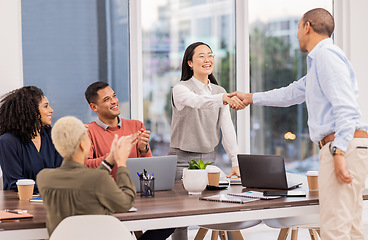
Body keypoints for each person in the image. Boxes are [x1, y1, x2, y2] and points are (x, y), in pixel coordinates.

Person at [229, 8, 368, 240]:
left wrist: (339, 151)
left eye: (297, 28)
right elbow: (291, 93)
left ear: (307, 26)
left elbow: (346, 107)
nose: (296, 35)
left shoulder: (325, 55)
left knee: (335, 230)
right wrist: (251, 97)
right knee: (350, 229)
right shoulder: (319, 61)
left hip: (343, 145)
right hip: (349, 145)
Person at [37, 116, 174, 239]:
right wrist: (121, 163)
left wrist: (111, 158)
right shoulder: (99, 179)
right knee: (168, 224)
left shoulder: (44, 178)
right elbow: (126, 202)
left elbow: (84, 180)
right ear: (83, 144)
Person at [169, 42, 245, 240]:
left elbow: (227, 128)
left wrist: (235, 162)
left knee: (226, 206)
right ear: (190, 63)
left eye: (210, 55)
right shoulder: (180, 89)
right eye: (201, 56)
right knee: (180, 217)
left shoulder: (220, 91)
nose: (207, 60)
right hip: (181, 161)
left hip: (209, 161)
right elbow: (197, 102)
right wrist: (223, 99)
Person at [0, 86, 62, 193]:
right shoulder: (8, 141)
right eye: (45, 106)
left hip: (52, 199)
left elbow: (61, 174)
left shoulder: (53, 136)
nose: (51, 110)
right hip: (19, 202)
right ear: (31, 110)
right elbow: (15, 183)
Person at [84, 81, 152, 180]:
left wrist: (143, 150)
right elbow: (85, 166)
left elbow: (149, 167)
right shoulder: (87, 131)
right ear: (94, 107)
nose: (114, 101)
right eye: (107, 99)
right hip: (108, 192)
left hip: (136, 190)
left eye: (114, 96)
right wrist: (114, 154)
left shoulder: (137, 125)